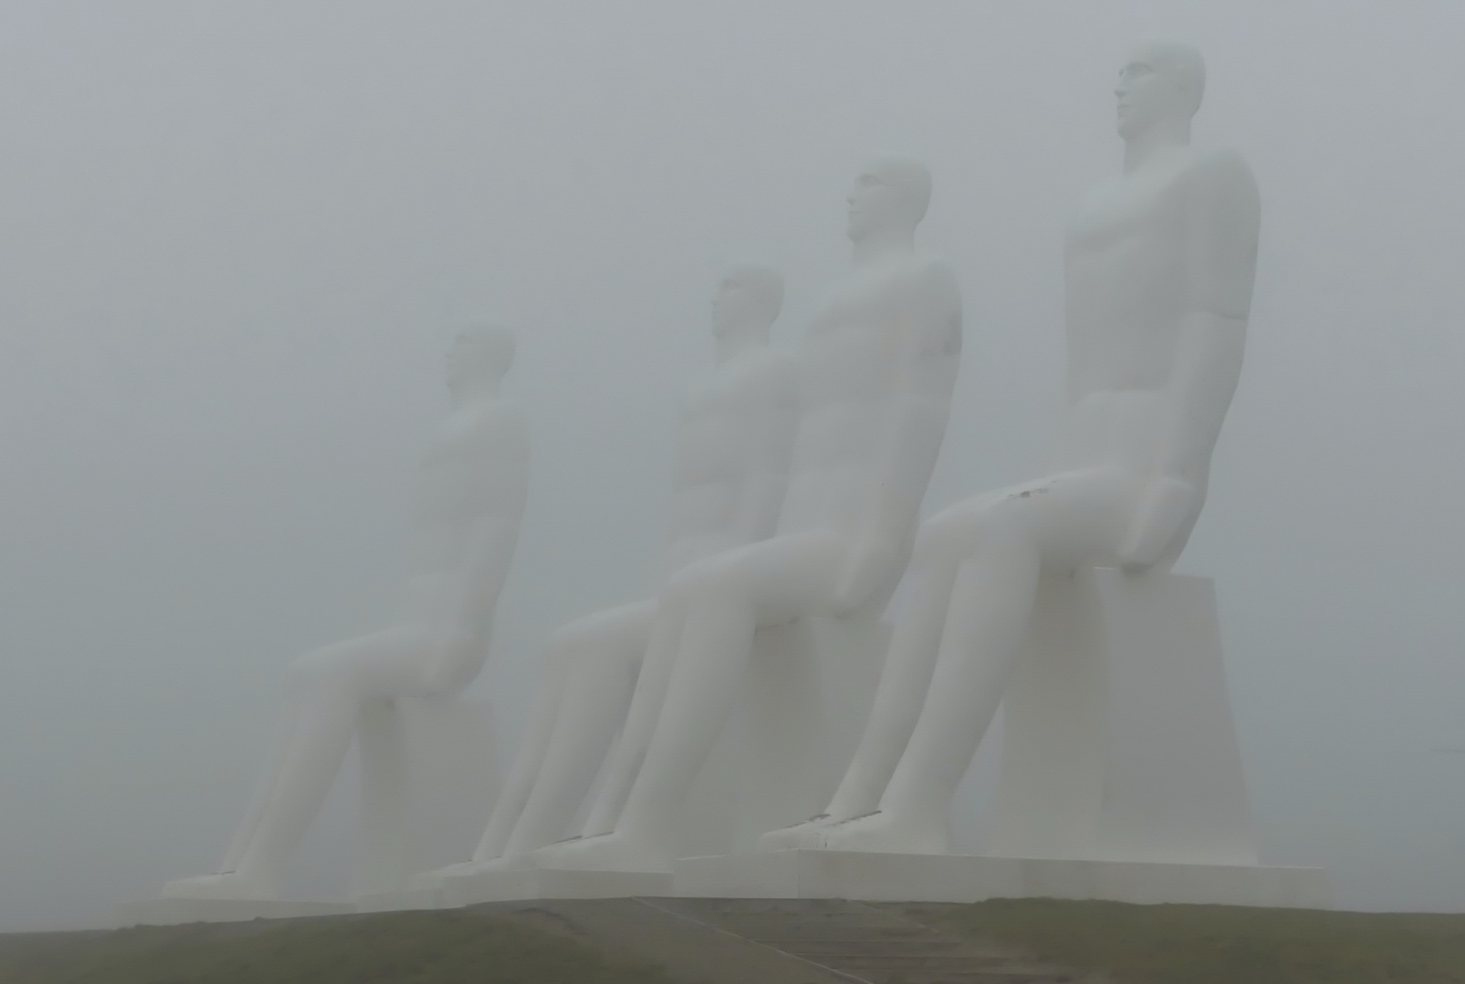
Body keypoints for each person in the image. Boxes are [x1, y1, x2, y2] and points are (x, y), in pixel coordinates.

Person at [766, 40, 1260, 855]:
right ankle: (858, 799)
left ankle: (918, 804)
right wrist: (1055, 468)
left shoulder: (1214, 177)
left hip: (1141, 464)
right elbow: (1084, 354)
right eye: (1121, 73)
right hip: (1082, 457)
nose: (1121, 86)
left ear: (1183, 87)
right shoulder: (1093, 206)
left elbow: (1216, 324)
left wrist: (1177, 473)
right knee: (949, 533)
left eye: (1140, 73)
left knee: (998, 530)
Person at [533, 157, 964, 874]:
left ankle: (645, 824)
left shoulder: (923, 281)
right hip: (806, 531)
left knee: (708, 588)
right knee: (689, 592)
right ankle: (609, 822)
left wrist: (877, 540)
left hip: (852, 537)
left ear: (910, 198)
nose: (851, 193)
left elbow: (918, 411)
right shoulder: (830, 308)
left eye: (870, 183)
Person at [428, 267, 796, 880]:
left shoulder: (775, 372)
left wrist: (739, 562)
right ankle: (513, 846)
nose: (714, 297)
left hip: (721, 575)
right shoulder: (700, 388)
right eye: (717, 286)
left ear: (762, 301)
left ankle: (622, 827)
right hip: (682, 582)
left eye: (729, 287)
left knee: (625, 657)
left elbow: (768, 474)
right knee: (572, 645)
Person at [163, 326, 531, 900]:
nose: (448, 352)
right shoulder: (449, 431)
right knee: (305, 672)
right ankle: (242, 862)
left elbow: (497, 525)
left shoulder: (500, 421)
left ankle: (262, 864)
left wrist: (462, 626)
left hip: (447, 631)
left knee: (329, 672)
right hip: (416, 621)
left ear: (489, 353)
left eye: (460, 342)